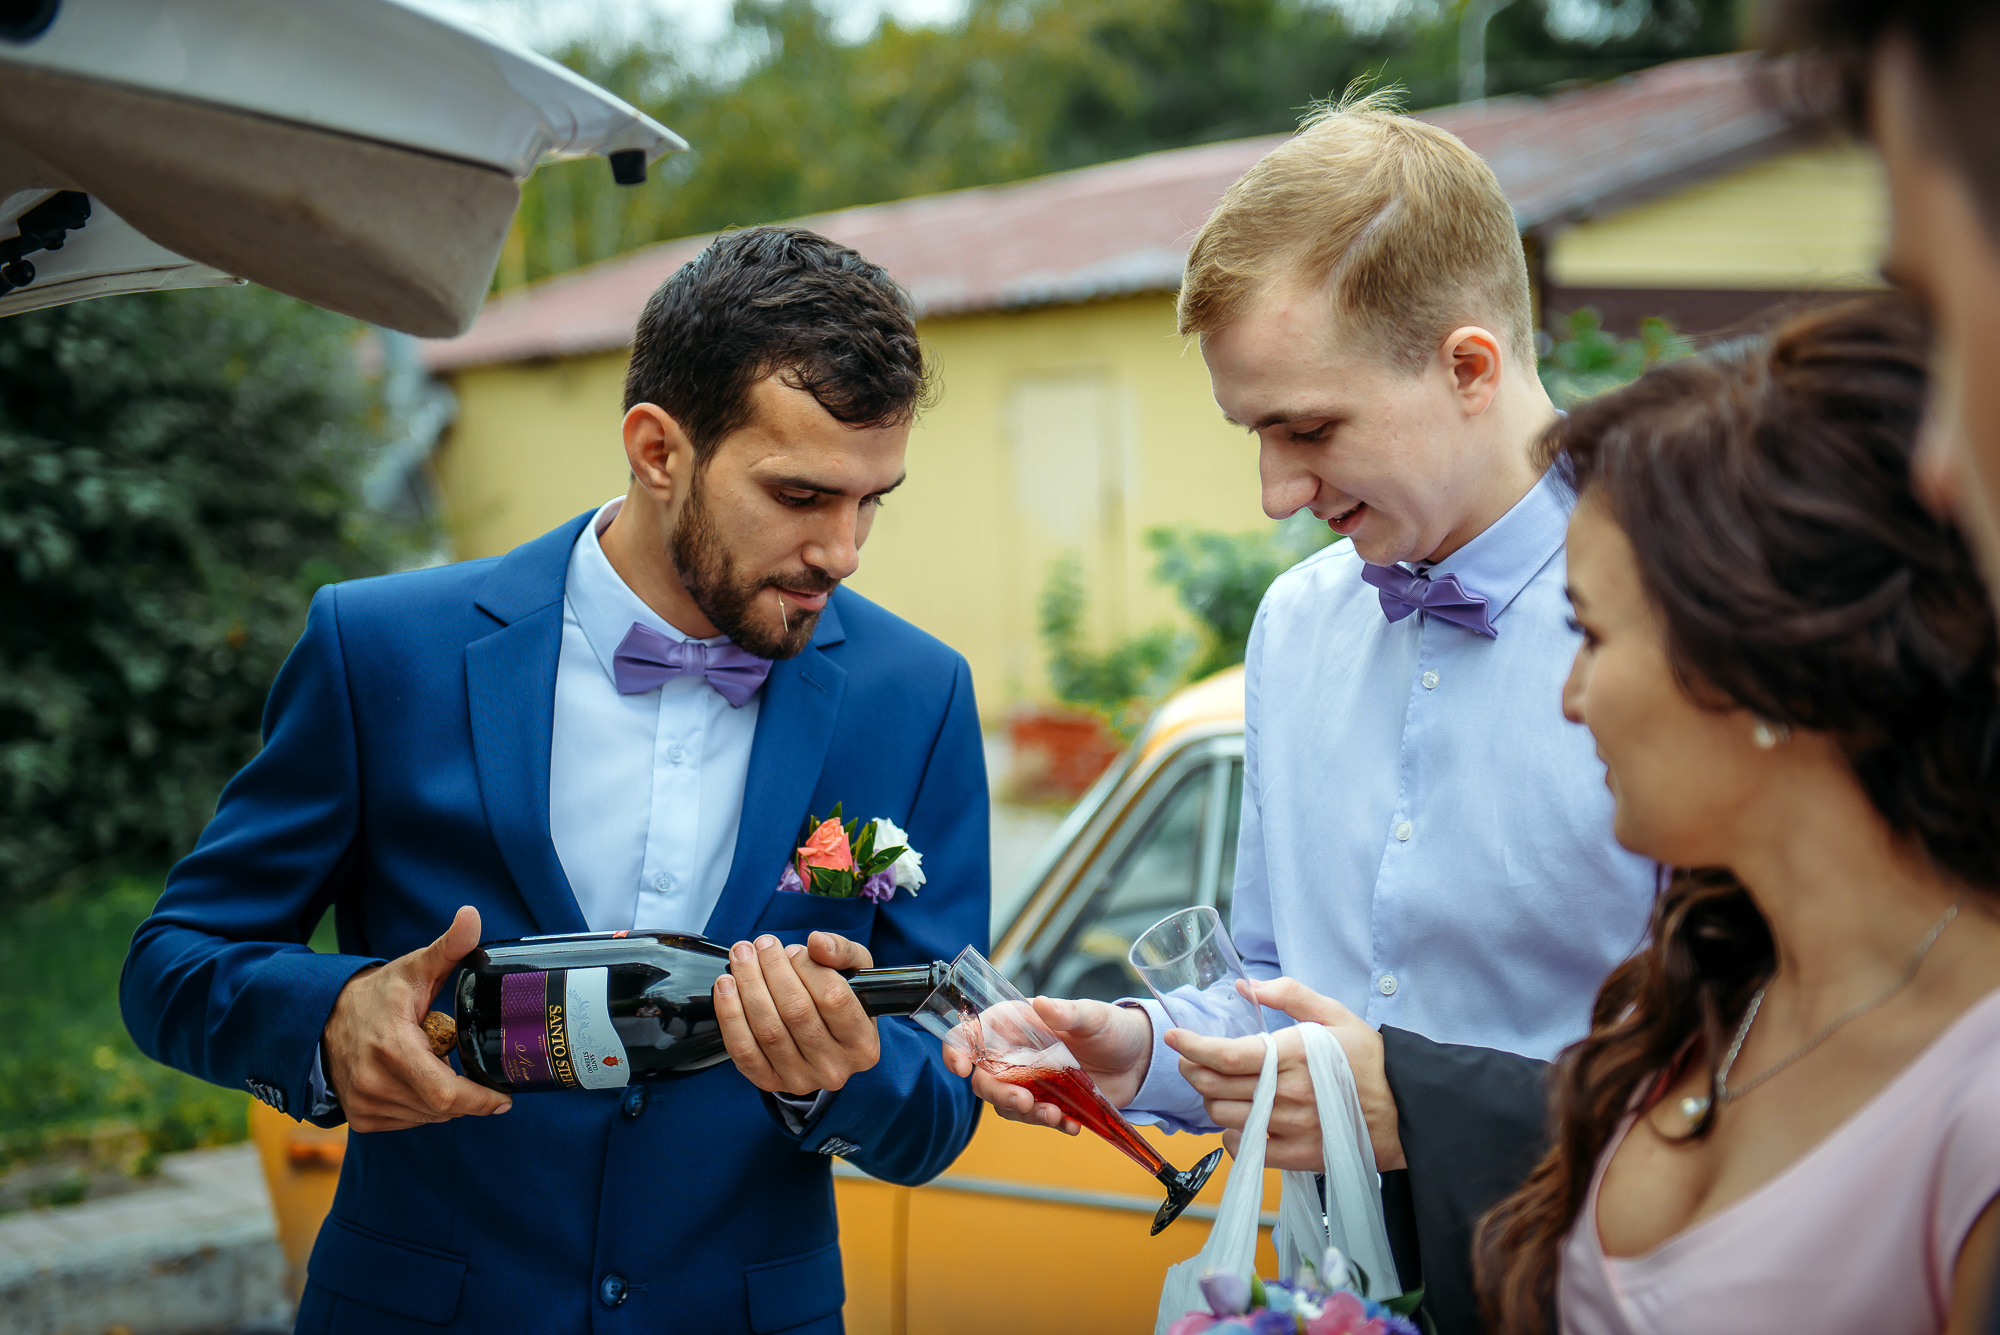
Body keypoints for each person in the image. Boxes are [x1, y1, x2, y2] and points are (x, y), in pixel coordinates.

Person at [119, 226, 990, 1335]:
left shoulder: (913, 695)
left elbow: (942, 1085)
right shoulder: (382, 650)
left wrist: (846, 1073)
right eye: (800, 495)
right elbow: (173, 965)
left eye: (872, 500)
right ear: (657, 449)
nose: (844, 550)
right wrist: (332, 1021)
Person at [947, 92, 1656, 1330]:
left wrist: (1428, 1106)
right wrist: (1139, 1050)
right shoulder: (1296, 626)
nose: (1275, 491)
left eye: (1307, 427)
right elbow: (1276, 980)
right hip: (1333, 1288)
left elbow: (1785, 1053)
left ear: (1468, 367)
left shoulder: (1684, 604)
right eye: (1250, 432)